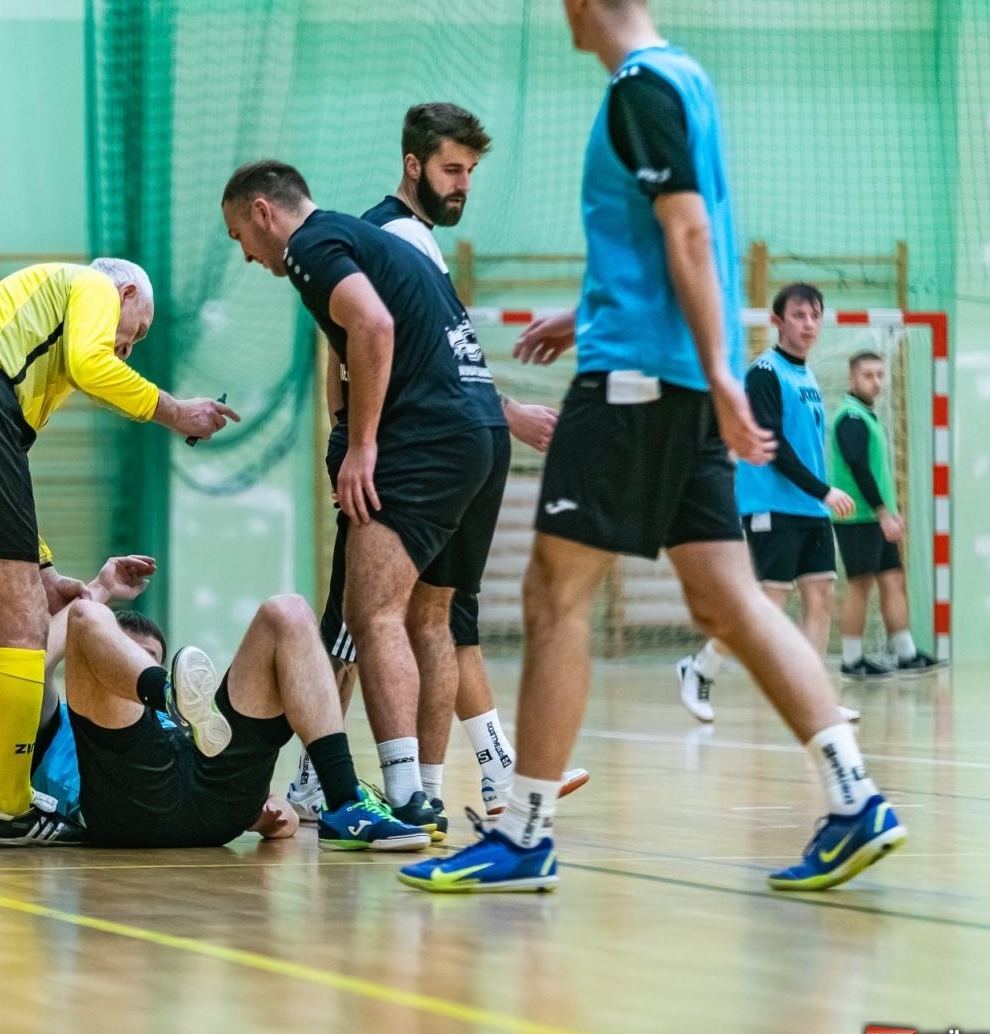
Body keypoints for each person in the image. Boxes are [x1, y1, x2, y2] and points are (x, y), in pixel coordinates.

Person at [401, 0, 904, 894]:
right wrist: (590, 311)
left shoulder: (639, 88)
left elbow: (691, 232)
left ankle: (523, 832)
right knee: (730, 601)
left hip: (639, 387)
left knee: (553, 593)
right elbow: (655, 236)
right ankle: (853, 794)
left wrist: (716, 371)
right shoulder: (689, 79)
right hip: (665, 377)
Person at [292, 102, 586, 823]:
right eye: (453, 170)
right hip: (398, 451)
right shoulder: (392, 232)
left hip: (431, 441)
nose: (463, 185)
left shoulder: (417, 238)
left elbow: (442, 355)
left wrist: (499, 410)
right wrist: (348, 437)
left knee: (422, 616)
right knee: (358, 620)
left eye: (472, 173)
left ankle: (466, 774)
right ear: (413, 165)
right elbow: (353, 347)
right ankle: (324, 778)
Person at [0, 258, 238, 845]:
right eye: (135, 331)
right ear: (125, 293)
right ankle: (14, 809)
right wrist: (176, 412)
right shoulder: (91, 285)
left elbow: (8, 475)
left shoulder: (27, 341)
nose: (127, 350)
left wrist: (41, 566)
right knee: (20, 629)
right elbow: (93, 363)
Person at [223, 160, 506, 840]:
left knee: (370, 612)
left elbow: (372, 329)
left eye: (239, 235)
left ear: (265, 212)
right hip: (482, 431)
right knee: (431, 618)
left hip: (427, 437)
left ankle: (403, 797)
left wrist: (363, 444)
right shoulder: (372, 241)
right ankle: (427, 793)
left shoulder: (312, 247)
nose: (245, 253)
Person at [7, 554, 429, 851]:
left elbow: (281, 825)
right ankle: (164, 692)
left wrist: (267, 815)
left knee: (289, 611)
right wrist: (98, 590)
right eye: (122, 655)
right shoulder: (53, 720)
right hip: (129, 800)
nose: (128, 663)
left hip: (215, 798)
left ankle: (345, 803)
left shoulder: (204, 726)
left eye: (146, 659)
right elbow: (36, 658)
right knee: (86, 617)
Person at [676, 283, 860, 723]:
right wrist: (824, 490)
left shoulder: (808, 376)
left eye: (815, 315)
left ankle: (814, 699)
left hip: (810, 511)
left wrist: (817, 496)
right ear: (777, 322)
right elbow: (772, 443)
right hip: (772, 508)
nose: (809, 323)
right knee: (765, 604)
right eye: (799, 315)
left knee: (821, 598)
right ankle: (700, 668)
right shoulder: (764, 372)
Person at [830, 351, 943, 675]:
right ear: (852, 379)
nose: (876, 381)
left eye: (880, 374)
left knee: (893, 580)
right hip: (858, 517)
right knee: (861, 585)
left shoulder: (867, 416)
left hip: (878, 517)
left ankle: (906, 653)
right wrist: (882, 512)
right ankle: (851, 660)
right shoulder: (850, 418)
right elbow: (858, 467)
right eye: (868, 375)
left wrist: (891, 512)